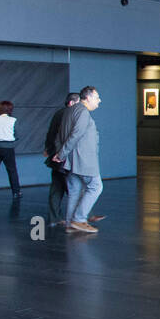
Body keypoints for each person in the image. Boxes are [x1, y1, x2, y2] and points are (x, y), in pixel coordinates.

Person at [51, 86, 103, 234]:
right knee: (96, 187)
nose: (99, 100)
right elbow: (76, 134)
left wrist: (61, 154)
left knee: (74, 189)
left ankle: (69, 224)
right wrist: (61, 154)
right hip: (83, 159)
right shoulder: (82, 112)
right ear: (87, 98)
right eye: (97, 97)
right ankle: (79, 219)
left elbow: (60, 135)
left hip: (71, 160)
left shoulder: (69, 111)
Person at [44, 92, 80, 227]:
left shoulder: (58, 113)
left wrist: (48, 149)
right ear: (71, 103)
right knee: (74, 187)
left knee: (56, 188)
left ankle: (54, 218)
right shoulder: (71, 115)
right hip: (65, 157)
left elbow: (50, 133)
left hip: (56, 156)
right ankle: (79, 218)